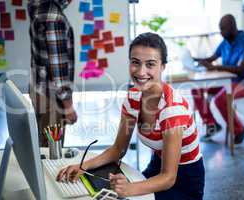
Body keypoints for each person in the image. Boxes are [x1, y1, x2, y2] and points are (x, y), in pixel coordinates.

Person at [56, 32, 205, 200]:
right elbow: (118, 149)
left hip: (184, 177)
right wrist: (83, 166)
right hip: (158, 165)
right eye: (135, 63)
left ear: (163, 66)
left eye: (150, 64)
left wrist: (129, 189)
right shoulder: (133, 97)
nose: (141, 72)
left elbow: (169, 178)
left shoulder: (172, 110)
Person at [192, 14, 244, 144]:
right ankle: (212, 125)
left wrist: (216, 68)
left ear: (232, 27)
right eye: (220, 28)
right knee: (196, 90)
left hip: (243, 83)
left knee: (221, 99)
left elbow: (241, 70)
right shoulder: (225, 42)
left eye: (223, 28)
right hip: (226, 82)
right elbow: (212, 58)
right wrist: (197, 60)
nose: (221, 32)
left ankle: (239, 129)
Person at [28, 0, 77, 147]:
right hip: (51, 96)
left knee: (44, 148)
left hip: (39, 88)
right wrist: (68, 106)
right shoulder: (53, 16)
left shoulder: (36, 5)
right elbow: (58, 68)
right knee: (51, 153)